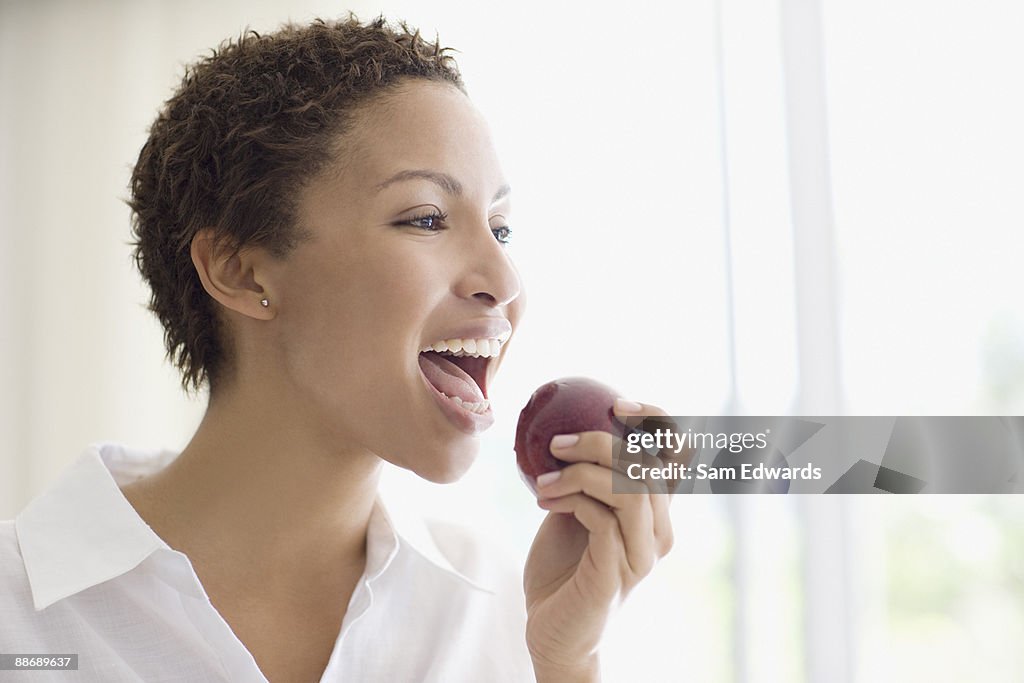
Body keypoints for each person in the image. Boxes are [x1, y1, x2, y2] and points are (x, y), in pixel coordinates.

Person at [0, 15, 674, 682]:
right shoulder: (17, 617)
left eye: (499, 229)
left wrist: (565, 664)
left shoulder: (505, 614)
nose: (504, 282)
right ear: (242, 270)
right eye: (426, 219)